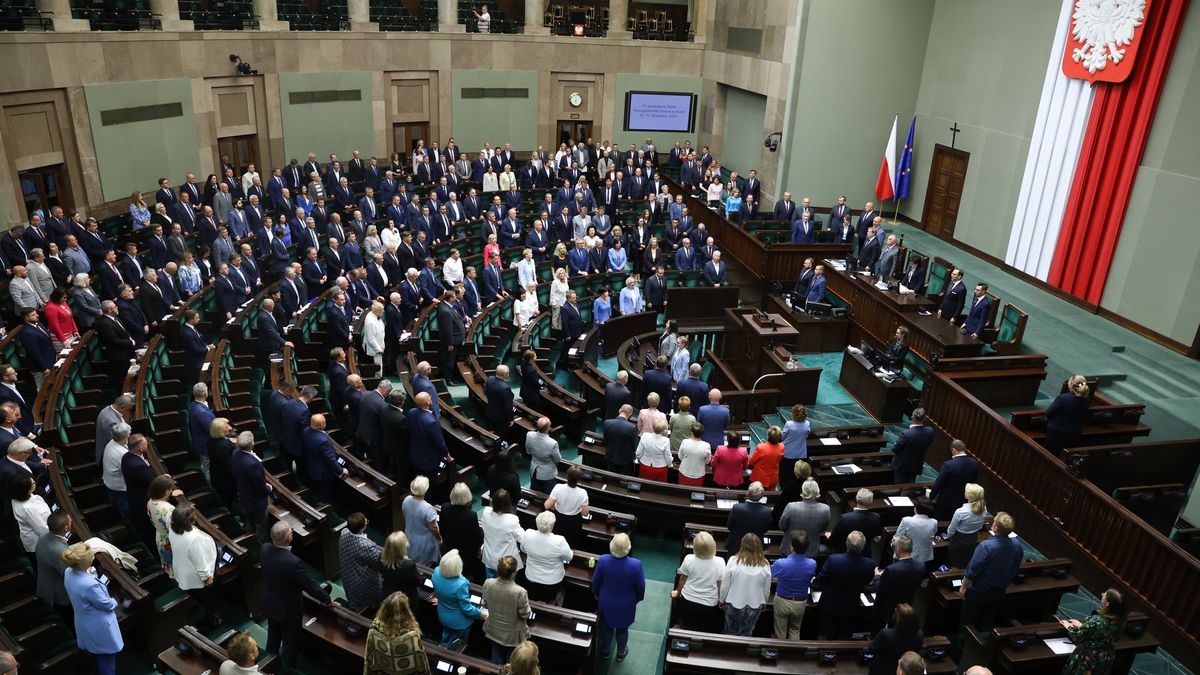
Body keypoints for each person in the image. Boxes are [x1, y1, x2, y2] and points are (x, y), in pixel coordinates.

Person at [262, 522, 332, 668]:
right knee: (290, 643)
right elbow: (309, 585)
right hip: (288, 610)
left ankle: (268, 665)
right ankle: (288, 670)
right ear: (289, 537)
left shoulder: (264, 549)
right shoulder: (292, 562)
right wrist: (325, 598)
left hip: (270, 603)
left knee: (273, 635)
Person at [62, 543, 124, 675]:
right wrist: (116, 600)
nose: (93, 559)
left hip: (84, 620)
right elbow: (106, 604)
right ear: (83, 563)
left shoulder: (68, 572)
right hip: (99, 626)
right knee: (107, 658)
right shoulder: (90, 585)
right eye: (91, 557)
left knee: (97, 653)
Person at [960, 512, 1023, 633]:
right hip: (999, 592)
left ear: (995, 528)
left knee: (968, 621)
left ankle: (963, 646)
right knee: (986, 620)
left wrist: (963, 588)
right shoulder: (1017, 545)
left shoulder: (986, 546)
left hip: (979, 592)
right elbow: (1015, 568)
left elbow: (972, 570)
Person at [591, 533, 645, 662]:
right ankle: (621, 653)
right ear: (628, 548)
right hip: (626, 604)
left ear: (611, 546)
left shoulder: (603, 560)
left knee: (606, 628)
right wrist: (638, 599)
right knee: (622, 629)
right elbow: (641, 587)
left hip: (606, 602)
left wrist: (596, 594)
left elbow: (596, 581)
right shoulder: (636, 565)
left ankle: (605, 651)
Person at [814, 530, 875, 639]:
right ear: (863, 547)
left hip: (829, 606)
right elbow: (867, 581)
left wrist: (814, 582)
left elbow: (820, 582)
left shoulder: (834, 559)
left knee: (826, 636)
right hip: (851, 607)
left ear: (847, 543)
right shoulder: (869, 564)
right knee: (844, 636)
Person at [170, 505, 222, 628]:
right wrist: (208, 580)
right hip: (197, 579)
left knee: (198, 597)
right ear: (190, 520)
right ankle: (212, 620)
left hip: (183, 571)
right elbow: (200, 563)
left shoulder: (173, 530)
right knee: (207, 601)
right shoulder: (195, 539)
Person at [1060, 588, 1127, 675]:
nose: (1102, 594)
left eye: (1104, 595)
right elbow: (1101, 633)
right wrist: (1082, 626)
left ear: (1107, 604)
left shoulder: (1096, 621)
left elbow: (1077, 636)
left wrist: (1069, 626)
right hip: (1105, 658)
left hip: (1087, 659)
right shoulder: (1121, 622)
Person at [431, 549, 486, 648]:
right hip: (460, 622)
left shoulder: (436, 572)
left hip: (443, 615)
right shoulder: (461, 584)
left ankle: (443, 647)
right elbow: (467, 609)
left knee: (446, 637)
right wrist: (480, 613)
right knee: (458, 646)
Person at [720, 533, 772, 636]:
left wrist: (721, 599)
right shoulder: (765, 564)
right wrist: (764, 602)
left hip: (732, 602)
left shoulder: (733, 560)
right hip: (755, 604)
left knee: (730, 632)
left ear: (742, 545)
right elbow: (766, 589)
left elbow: (725, 585)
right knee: (747, 633)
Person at [364, 592, 429, 675]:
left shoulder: (374, 627)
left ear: (384, 608)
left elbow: (369, 657)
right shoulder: (411, 635)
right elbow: (421, 665)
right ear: (406, 611)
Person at [673, 530, 725, 632]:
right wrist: (720, 601)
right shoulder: (720, 562)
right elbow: (720, 585)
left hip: (687, 601)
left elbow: (683, 579)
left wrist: (678, 593)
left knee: (688, 625)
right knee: (704, 628)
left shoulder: (689, 559)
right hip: (709, 605)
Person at [482, 556, 531, 664]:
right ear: (514, 572)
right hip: (513, 635)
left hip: (493, 629)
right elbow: (525, 614)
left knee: (496, 660)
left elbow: (484, 603)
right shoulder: (520, 592)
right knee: (511, 663)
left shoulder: (488, 583)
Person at [872, 535, 926, 633]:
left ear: (897, 549)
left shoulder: (892, 570)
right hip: (906, 605)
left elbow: (880, 589)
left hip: (886, 608)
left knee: (878, 631)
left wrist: (877, 576)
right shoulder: (921, 566)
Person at [771, 530, 817, 639]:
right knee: (795, 630)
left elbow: (770, 575)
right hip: (800, 603)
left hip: (782, 601)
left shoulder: (780, 563)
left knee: (780, 633)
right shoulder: (812, 564)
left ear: (791, 547)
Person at [520, 510, 573, 603]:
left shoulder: (528, 534)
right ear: (552, 525)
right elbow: (569, 557)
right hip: (552, 581)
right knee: (550, 600)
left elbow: (523, 549)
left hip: (531, 577)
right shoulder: (559, 540)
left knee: (532, 599)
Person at [339, 512, 384, 611]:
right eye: (365, 521)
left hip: (348, 577)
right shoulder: (366, 546)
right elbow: (379, 564)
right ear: (362, 527)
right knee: (371, 605)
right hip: (363, 583)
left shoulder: (344, 532)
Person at [440, 482, 484, 582]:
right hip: (466, 555)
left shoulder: (445, 507)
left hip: (449, 548)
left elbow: (442, 529)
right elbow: (477, 538)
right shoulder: (471, 515)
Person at [930, 439, 981, 521]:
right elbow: (973, 483)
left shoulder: (948, 465)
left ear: (953, 450)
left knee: (939, 521)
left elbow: (938, 484)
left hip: (945, 502)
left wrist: (930, 497)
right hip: (963, 501)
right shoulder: (975, 464)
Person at [869, 604, 924, 675]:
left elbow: (872, 649)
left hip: (882, 670)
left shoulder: (885, 634)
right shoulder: (920, 635)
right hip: (907, 669)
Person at [779, 479, 829, 556]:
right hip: (811, 550)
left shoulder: (791, 507)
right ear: (817, 491)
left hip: (790, 548)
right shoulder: (825, 509)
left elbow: (782, 526)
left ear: (803, 491)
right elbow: (823, 528)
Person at [35, 511, 72, 617]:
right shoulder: (61, 552)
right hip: (60, 596)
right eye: (70, 521)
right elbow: (70, 576)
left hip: (45, 585)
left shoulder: (43, 538)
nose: (72, 522)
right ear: (66, 528)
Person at [545, 464, 589, 549]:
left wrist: (556, 505)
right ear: (579, 480)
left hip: (558, 519)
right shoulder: (583, 493)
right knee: (571, 544)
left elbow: (547, 505)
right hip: (574, 522)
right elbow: (585, 513)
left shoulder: (558, 487)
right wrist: (578, 509)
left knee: (556, 543)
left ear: (566, 476)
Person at [482, 488, 524, 577]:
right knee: (508, 587)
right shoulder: (512, 520)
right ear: (508, 503)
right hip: (506, 564)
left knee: (490, 585)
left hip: (489, 558)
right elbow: (522, 538)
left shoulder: (486, 512)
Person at [1044, 374, 1091, 452]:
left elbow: (1049, 412)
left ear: (1071, 384)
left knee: (1050, 454)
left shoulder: (1063, 398)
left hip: (1057, 433)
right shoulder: (1086, 399)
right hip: (1073, 433)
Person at [947, 483, 989, 569]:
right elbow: (980, 526)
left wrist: (948, 536)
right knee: (966, 559)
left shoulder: (961, 511)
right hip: (973, 538)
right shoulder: (984, 509)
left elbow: (951, 529)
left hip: (958, 539)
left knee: (954, 560)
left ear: (968, 495)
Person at [828, 488, 883, 553]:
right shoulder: (876, 517)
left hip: (845, 552)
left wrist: (829, 536)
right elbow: (874, 535)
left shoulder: (846, 518)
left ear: (856, 498)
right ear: (871, 501)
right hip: (865, 553)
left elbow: (834, 539)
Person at [403, 476, 442, 565]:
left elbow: (405, 516)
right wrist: (439, 538)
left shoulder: (406, 499)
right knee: (425, 565)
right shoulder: (427, 508)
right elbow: (433, 528)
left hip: (409, 536)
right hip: (424, 542)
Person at [10, 474, 49, 562]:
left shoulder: (17, 497)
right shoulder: (28, 508)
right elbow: (41, 530)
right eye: (33, 483)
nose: (35, 484)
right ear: (26, 489)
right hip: (37, 543)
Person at [146, 475, 179, 577]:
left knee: (168, 563)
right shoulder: (169, 510)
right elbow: (175, 530)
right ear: (165, 491)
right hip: (169, 541)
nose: (171, 490)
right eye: (170, 489)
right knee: (175, 563)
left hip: (160, 537)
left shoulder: (150, 501)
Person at [726, 482, 771, 556]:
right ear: (762, 496)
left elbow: (729, 526)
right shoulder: (767, 511)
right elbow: (765, 529)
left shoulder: (737, 508)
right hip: (756, 546)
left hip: (736, 545)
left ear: (747, 493)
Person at [891, 408, 934, 484]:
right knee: (910, 485)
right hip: (916, 463)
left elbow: (894, 449)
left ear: (912, 417)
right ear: (924, 418)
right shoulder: (930, 431)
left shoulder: (906, 434)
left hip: (902, 465)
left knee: (899, 486)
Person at [380, 531, 421, 610]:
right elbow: (417, 582)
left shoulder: (381, 558)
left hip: (388, 595)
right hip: (405, 601)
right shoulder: (409, 565)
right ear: (402, 547)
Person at [894, 496, 938, 570]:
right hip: (923, 557)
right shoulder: (934, 522)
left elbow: (897, 538)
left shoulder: (906, 521)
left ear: (915, 508)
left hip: (905, 556)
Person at [526, 417, 561, 495]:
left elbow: (528, 451)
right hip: (548, 474)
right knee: (548, 495)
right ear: (548, 428)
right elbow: (558, 459)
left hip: (534, 469)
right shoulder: (553, 443)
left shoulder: (529, 435)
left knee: (534, 494)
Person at [780, 404, 810, 489]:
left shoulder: (789, 424)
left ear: (793, 414)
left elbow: (782, 437)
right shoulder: (807, 423)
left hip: (788, 453)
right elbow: (806, 435)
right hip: (801, 454)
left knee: (785, 475)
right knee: (797, 475)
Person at [602, 405, 638, 476]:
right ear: (630, 414)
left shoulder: (607, 423)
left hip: (610, 458)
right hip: (625, 462)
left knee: (610, 480)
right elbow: (634, 446)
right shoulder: (632, 427)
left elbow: (605, 441)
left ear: (619, 410)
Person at [635, 417, 671, 482]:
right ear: (663, 430)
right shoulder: (666, 440)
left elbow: (638, 453)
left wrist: (639, 458)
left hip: (645, 466)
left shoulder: (645, 436)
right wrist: (670, 464)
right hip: (660, 468)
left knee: (644, 485)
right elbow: (668, 456)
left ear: (652, 426)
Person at [748, 425, 785, 489]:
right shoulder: (782, 447)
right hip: (773, 478)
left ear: (768, 435)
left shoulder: (761, 447)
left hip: (760, 479)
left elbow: (751, 461)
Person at [677, 422, 712, 487]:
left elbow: (680, 456)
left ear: (692, 432)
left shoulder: (685, 442)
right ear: (702, 433)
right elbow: (707, 461)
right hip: (698, 473)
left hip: (684, 471)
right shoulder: (707, 445)